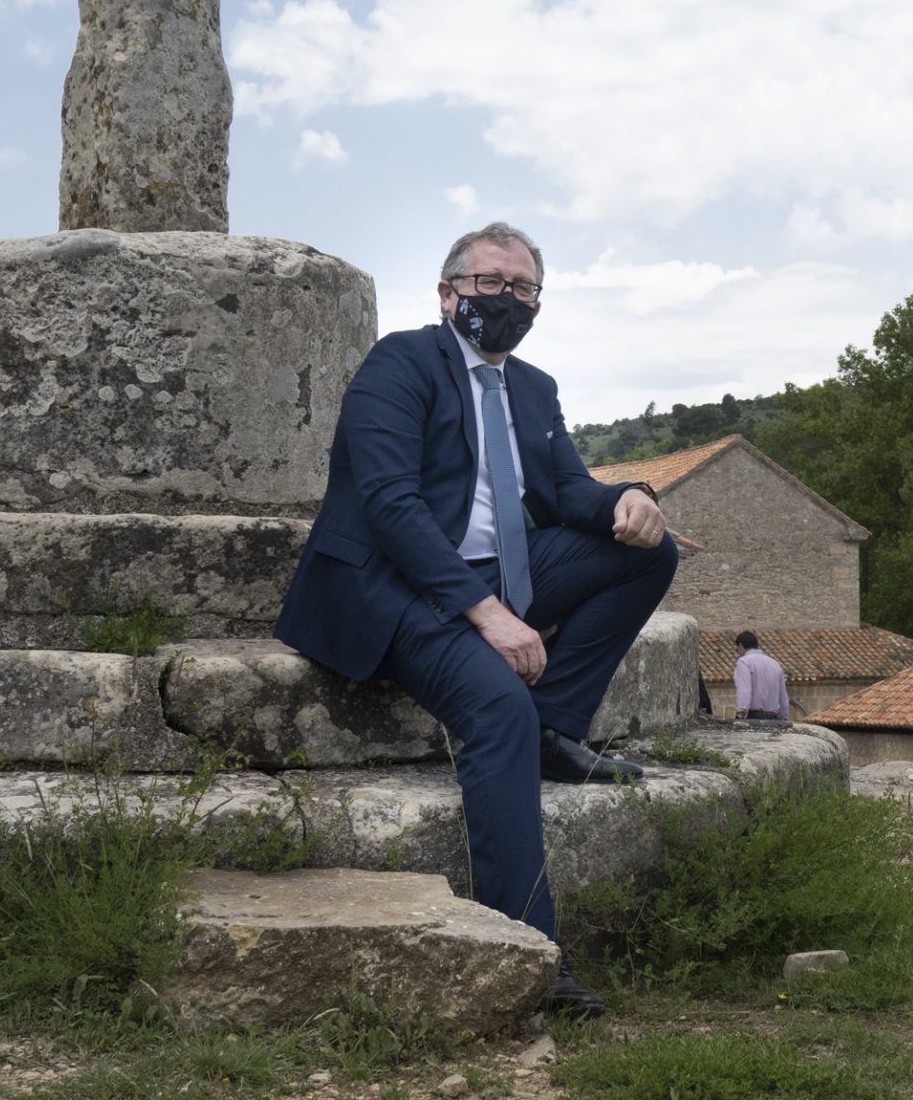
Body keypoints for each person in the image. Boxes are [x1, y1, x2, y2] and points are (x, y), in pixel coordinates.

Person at [273, 222, 677, 1019]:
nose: (506, 298)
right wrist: (487, 613)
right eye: (490, 281)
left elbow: (567, 494)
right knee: (496, 704)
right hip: (389, 584)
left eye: (523, 287)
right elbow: (390, 504)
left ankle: (554, 727)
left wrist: (632, 495)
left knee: (648, 553)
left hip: (493, 573)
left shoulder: (534, 387)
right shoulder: (400, 363)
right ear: (449, 289)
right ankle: (529, 954)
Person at [732, 629, 789, 721]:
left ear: (741, 646)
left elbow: (745, 690)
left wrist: (740, 714)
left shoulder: (744, 662)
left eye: (737, 648)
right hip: (774, 717)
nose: (738, 651)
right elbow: (783, 696)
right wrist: (783, 717)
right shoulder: (774, 663)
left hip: (754, 716)